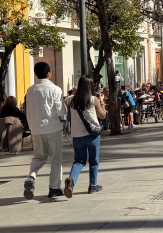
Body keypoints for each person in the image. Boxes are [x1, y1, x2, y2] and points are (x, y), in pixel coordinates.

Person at [24, 62, 67, 199]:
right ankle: (54, 188)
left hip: (36, 128)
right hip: (53, 127)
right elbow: (60, 111)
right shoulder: (55, 89)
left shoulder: (30, 90)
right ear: (48, 73)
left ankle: (32, 176)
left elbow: (28, 110)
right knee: (56, 158)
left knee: (38, 156)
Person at [64, 75, 106, 197]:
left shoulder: (72, 101)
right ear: (90, 86)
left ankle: (72, 180)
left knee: (79, 161)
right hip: (92, 135)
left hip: (77, 135)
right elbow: (102, 115)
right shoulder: (93, 100)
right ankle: (93, 185)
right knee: (93, 161)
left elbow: (69, 119)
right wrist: (102, 102)